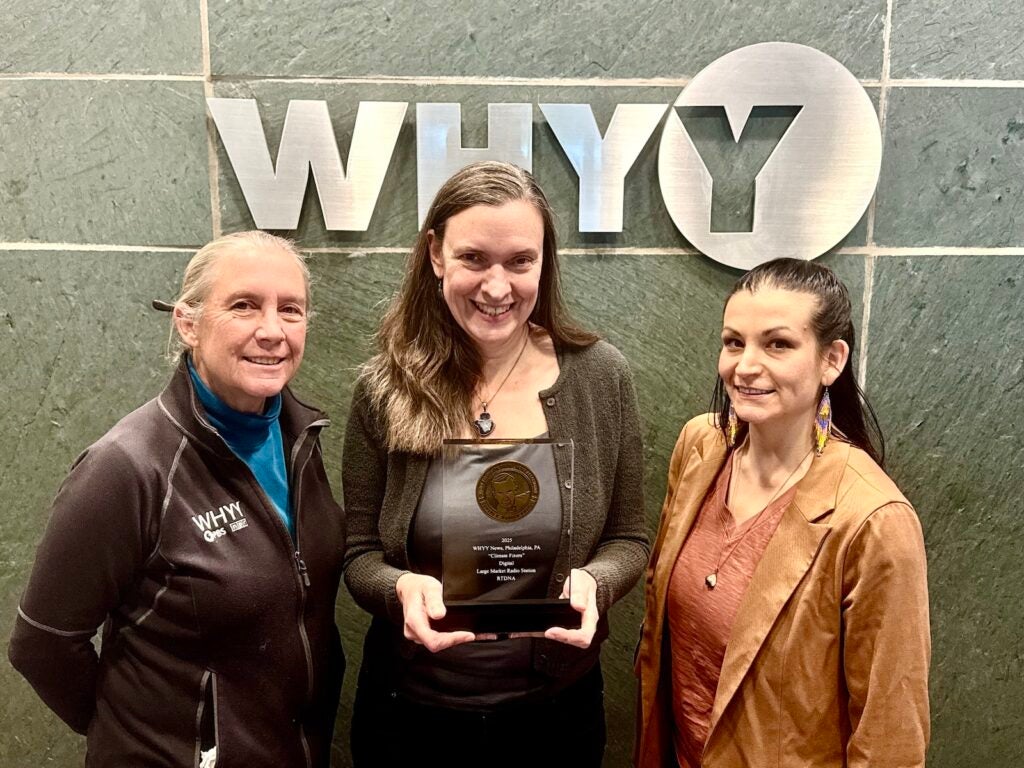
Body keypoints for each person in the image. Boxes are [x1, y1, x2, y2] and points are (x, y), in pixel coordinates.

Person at [342, 161, 649, 766]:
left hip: (556, 716)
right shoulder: (387, 386)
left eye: (520, 261)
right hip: (410, 717)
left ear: (544, 263)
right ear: (436, 254)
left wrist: (598, 581)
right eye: (474, 258)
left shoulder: (599, 377)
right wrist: (399, 587)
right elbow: (359, 554)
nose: (497, 287)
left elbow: (629, 537)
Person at [9, 231, 346, 768]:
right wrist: (140, 735)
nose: (272, 331)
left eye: (291, 309)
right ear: (188, 324)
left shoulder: (299, 438)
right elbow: (42, 644)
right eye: (243, 305)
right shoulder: (126, 466)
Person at [635, 258, 930, 768]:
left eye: (777, 344)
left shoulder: (874, 521)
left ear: (831, 360)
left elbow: (890, 738)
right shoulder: (700, 446)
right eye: (734, 342)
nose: (745, 366)